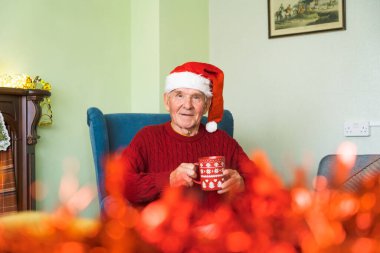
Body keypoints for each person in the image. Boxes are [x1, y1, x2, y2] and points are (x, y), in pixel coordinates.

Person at [120, 62, 257, 210]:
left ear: (206, 105)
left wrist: (242, 183)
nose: (187, 105)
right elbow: (119, 183)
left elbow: (261, 180)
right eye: (179, 95)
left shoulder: (223, 141)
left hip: (214, 228)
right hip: (164, 229)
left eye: (196, 97)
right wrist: (169, 180)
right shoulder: (147, 138)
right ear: (167, 101)